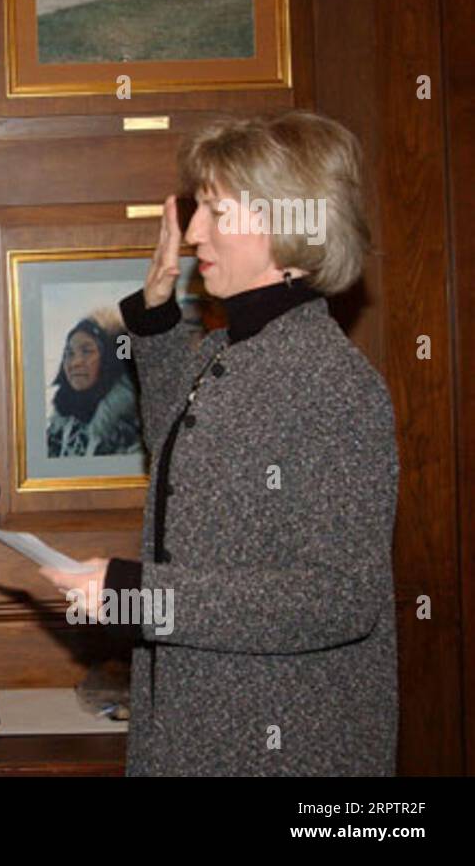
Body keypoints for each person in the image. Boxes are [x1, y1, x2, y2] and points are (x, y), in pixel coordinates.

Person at [39, 111, 399, 775]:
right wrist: (155, 310)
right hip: (191, 731)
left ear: (289, 225)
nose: (195, 230)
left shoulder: (335, 383)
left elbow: (339, 597)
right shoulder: (229, 350)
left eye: (216, 210)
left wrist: (138, 593)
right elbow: (191, 454)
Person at [46, 308, 140, 457]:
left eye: (87, 351)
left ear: (108, 360)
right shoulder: (59, 428)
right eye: (69, 353)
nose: (75, 363)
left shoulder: (131, 430)